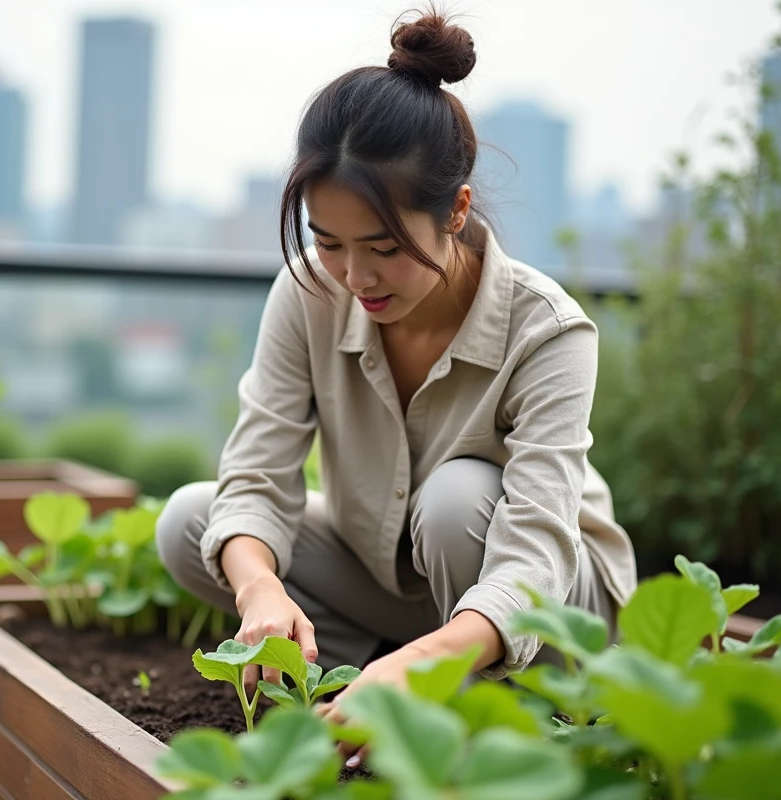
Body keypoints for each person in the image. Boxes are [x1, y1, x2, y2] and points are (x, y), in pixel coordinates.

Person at [155, 7, 637, 764]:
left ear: (458, 209)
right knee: (193, 522)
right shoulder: (310, 295)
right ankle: (381, 675)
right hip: (397, 580)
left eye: (383, 247)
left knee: (454, 502)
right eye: (331, 243)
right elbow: (256, 473)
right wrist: (260, 593)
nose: (356, 277)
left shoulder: (548, 329)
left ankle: (471, 701)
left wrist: (422, 661)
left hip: (552, 605)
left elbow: (536, 553)